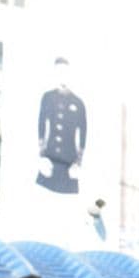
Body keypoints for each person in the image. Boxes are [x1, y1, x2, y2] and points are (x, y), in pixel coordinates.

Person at [36, 56, 87, 194]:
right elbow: (41, 126)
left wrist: (78, 163)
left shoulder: (78, 103)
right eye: (58, 72)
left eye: (64, 72)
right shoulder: (47, 97)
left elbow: (83, 135)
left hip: (68, 164)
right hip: (49, 161)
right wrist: (41, 157)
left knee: (66, 205)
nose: (61, 76)